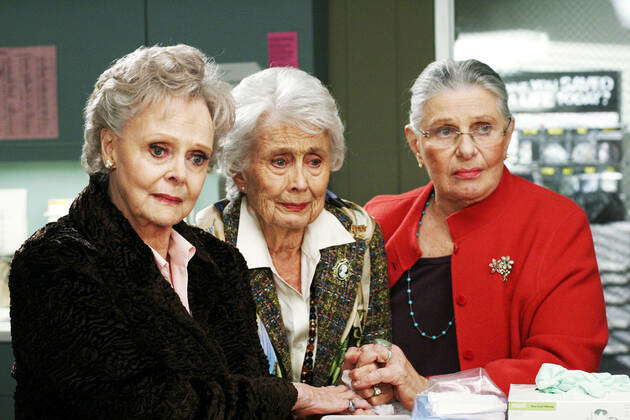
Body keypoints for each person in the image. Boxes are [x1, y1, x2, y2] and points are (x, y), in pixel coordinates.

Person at [9, 44, 371, 419]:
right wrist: (293, 396)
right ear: (110, 147)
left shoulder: (220, 262)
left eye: (196, 157)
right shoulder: (53, 262)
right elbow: (145, 405)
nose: (180, 174)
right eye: (158, 150)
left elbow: (253, 397)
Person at [344, 58, 608, 409]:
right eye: (445, 131)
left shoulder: (556, 223)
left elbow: (568, 365)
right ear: (415, 143)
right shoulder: (378, 221)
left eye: (484, 128)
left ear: (508, 135)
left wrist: (430, 392)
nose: (467, 150)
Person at [196, 67, 391, 388]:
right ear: (239, 170)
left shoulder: (358, 232)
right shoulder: (205, 242)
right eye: (280, 161)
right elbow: (204, 378)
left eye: (314, 161)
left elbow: (378, 341)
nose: (300, 183)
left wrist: (373, 377)